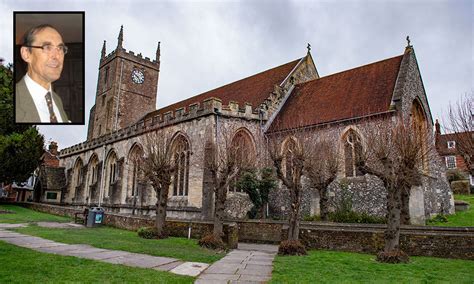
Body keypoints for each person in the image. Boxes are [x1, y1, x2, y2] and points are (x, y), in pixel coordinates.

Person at [16, 24, 69, 123]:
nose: (56, 56)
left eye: (60, 49)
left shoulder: (57, 100)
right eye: (47, 47)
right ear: (26, 53)